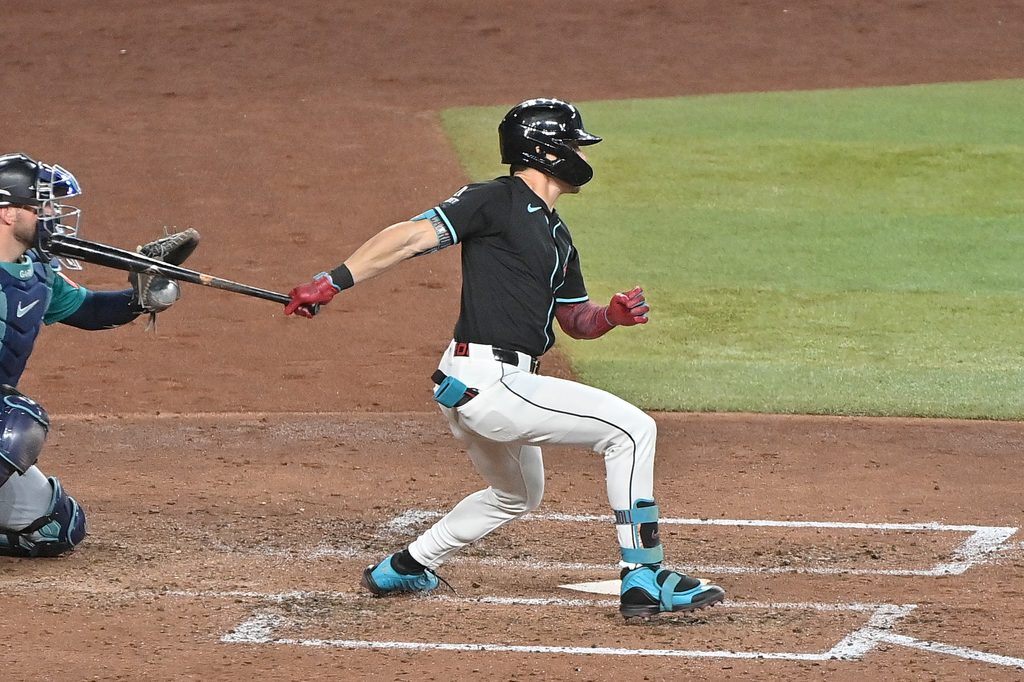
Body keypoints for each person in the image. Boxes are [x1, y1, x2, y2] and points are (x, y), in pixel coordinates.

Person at [284, 98, 725, 620]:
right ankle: (645, 576)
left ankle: (406, 566)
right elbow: (408, 236)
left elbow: (575, 321)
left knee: (516, 495)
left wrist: (610, 316)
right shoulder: (496, 199)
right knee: (631, 431)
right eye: (573, 142)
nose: (579, 153)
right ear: (545, 150)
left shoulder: (558, 237)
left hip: (479, 383)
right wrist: (333, 280)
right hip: (489, 381)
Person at [0, 152, 187, 557]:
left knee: (56, 527)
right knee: (15, 419)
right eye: (44, 205)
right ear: (8, 212)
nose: (54, 216)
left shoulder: (35, 272)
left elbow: (87, 310)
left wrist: (140, 299)